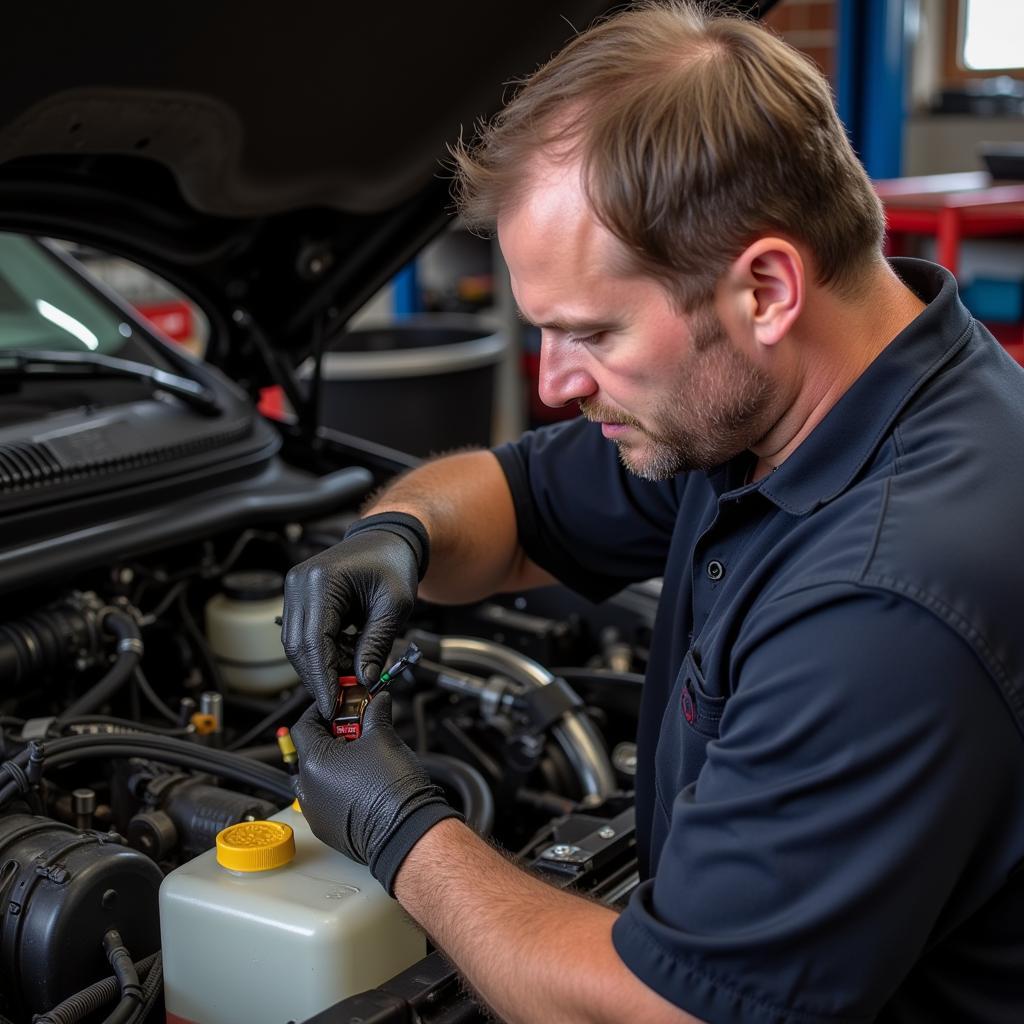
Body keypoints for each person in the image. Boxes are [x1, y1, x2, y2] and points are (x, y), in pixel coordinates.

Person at [282, 2, 1024, 1021]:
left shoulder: (888, 600)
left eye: (587, 332)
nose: (551, 383)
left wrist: (397, 828)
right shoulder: (784, 397)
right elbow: (514, 498)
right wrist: (394, 536)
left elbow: (659, 1011)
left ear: (765, 288)